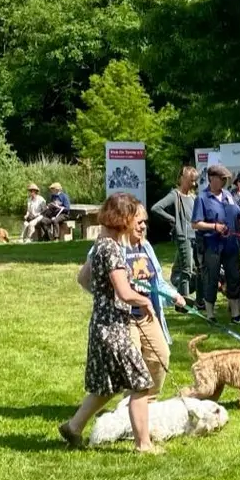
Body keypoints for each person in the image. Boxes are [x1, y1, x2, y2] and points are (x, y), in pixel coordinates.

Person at [58, 194, 184, 453]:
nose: (139, 225)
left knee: (110, 384)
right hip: (115, 327)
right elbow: (125, 293)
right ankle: (144, 444)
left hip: (102, 325)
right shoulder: (113, 249)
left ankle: (73, 427)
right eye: (134, 219)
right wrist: (143, 301)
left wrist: (106, 294)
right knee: (140, 383)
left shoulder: (101, 244)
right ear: (123, 219)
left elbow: (84, 278)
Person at [190, 164, 240, 324]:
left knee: (235, 277)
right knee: (211, 278)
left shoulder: (228, 195)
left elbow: (239, 214)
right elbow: (195, 224)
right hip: (212, 246)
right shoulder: (202, 198)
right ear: (212, 179)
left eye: (224, 179)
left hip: (230, 245)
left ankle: (235, 315)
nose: (223, 182)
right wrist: (214, 226)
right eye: (221, 179)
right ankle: (210, 315)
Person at [150, 167, 200, 310]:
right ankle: (183, 304)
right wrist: (173, 219)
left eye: (195, 181)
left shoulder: (193, 197)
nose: (194, 184)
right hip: (184, 237)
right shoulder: (175, 195)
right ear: (182, 179)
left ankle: (194, 299)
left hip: (196, 236)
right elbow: (156, 208)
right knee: (187, 270)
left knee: (196, 269)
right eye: (191, 181)